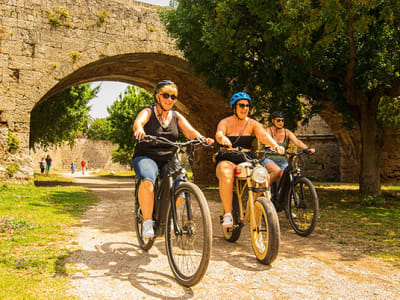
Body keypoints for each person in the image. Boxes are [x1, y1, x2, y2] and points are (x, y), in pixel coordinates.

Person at [133, 80, 214, 238]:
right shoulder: (148, 112)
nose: (169, 99)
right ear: (157, 96)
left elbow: (190, 132)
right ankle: (148, 222)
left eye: (173, 97)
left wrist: (202, 138)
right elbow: (138, 122)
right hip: (146, 156)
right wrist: (140, 129)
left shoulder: (176, 116)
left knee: (181, 188)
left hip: (169, 157)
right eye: (166, 95)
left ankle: (167, 215)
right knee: (148, 181)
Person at [215, 92, 285, 228]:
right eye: (241, 105)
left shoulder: (252, 124)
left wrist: (275, 145)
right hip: (228, 157)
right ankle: (228, 215)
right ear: (234, 107)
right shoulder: (225, 122)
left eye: (247, 105)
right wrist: (222, 138)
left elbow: (263, 136)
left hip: (246, 158)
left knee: (262, 176)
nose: (245, 108)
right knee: (226, 172)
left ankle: (253, 204)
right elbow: (219, 133)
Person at [263, 111, 316, 184]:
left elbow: (296, 141)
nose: (281, 122)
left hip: (282, 160)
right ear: (273, 121)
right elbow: (265, 139)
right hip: (269, 159)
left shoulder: (286, 132)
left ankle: (287, 194)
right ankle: (265, 189)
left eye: (282, 120)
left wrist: (306, 149)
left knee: (288, 176)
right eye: (278, 120)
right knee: (277, 172)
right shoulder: (268, 131)